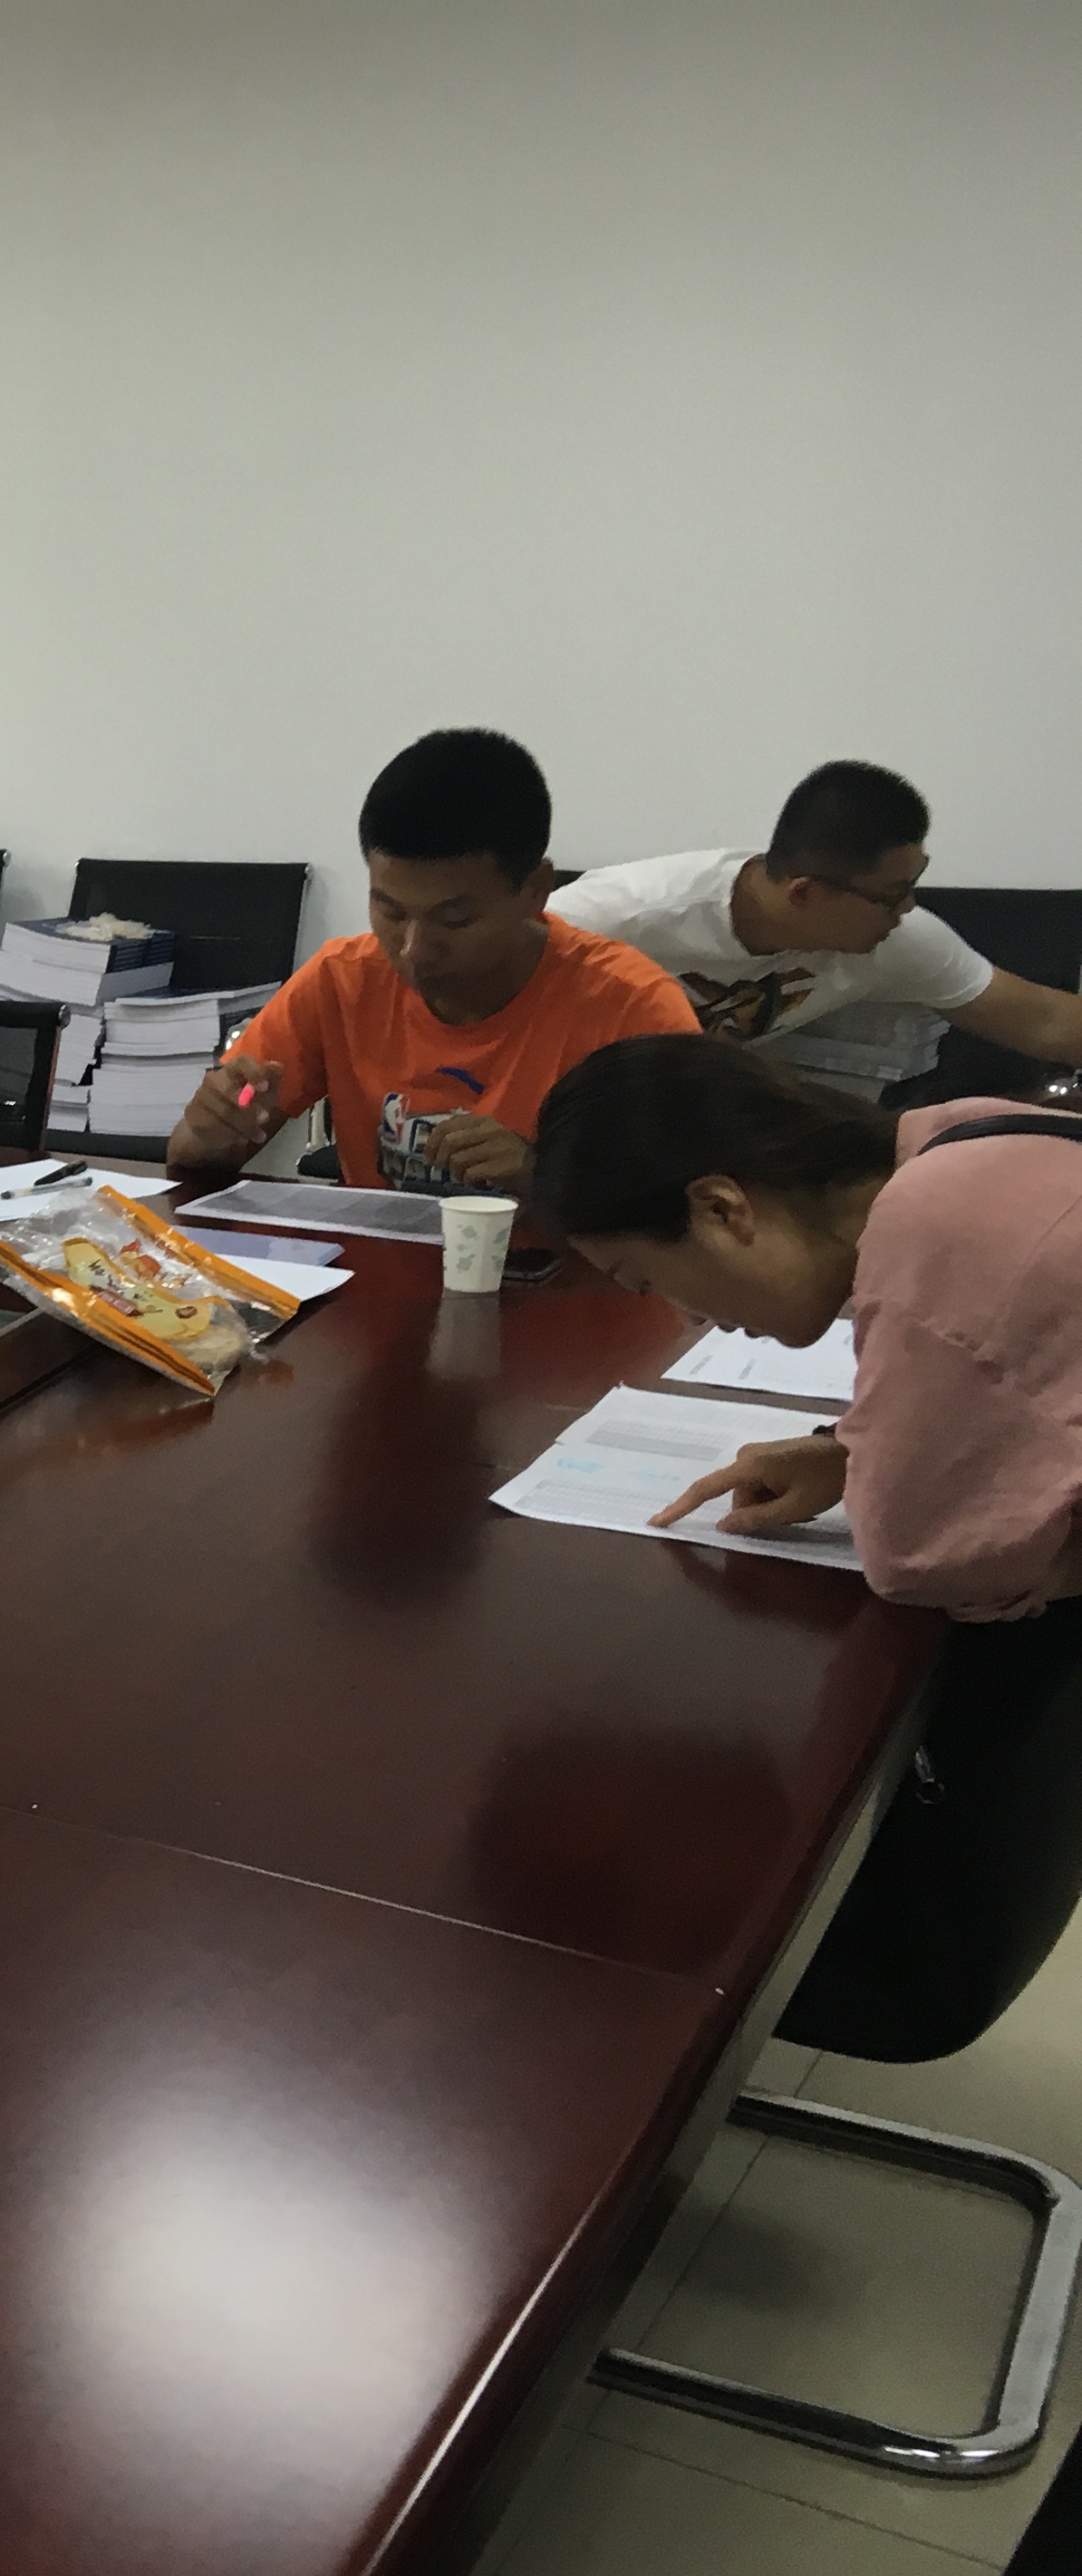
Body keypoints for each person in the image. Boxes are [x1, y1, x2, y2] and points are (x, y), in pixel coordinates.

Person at [531, 1033, 1082, 2076]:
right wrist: (853, 1446)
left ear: (723, 1208)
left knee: (603, 1884)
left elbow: (929, 1558)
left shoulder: (936, 1236)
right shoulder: (956, 1139)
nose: (685, 1313)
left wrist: (887, 1465)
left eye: (649, 1277)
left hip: (934, 1957)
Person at [169, 728, 698, 1191]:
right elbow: (198, 1155)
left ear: (535, 890)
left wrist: (542, 1179)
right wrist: (213, 1126)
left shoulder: (630, 1008)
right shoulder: (341, 981)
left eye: (455, 920)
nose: (413, 950)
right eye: (390, 911)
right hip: (370, 1267)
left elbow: (687, 1220)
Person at [552, 760, 1082, 1064]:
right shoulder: (611, 916)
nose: (906, 909)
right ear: (805, 894)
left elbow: (1044, 1020)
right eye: (892, 895)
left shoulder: (893, 939)